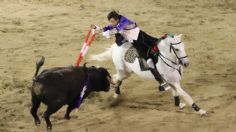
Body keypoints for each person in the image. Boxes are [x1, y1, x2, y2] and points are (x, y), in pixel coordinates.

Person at [91, 10, 170, 91]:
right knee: (148, 61)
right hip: (136, 44)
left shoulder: (124, 21)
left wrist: (106, 33)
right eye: (111, 22)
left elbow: (116, 30)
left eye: (112, 21)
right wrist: (97, 28)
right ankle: (161, 81)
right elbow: (108, 27)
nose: (112, 23)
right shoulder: (117, 23)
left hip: (143, 38)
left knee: (160, 45)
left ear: (117, 20)